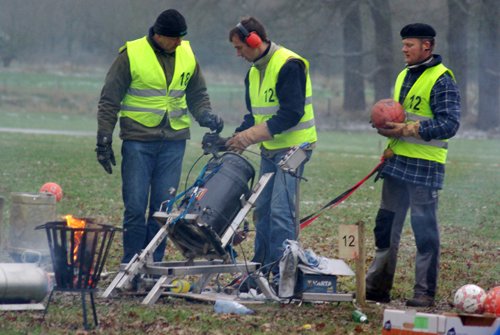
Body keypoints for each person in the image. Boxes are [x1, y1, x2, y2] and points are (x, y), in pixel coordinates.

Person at [96, 9, 223, 264]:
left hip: (173, 143)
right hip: (138, 141)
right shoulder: (131, 54)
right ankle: (131, 264)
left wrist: (205, 115)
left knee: (163, 210)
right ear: (159, 35)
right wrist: (104, 137)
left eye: (181, 38)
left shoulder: (186, 53)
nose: (179, 43)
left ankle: (154, 263)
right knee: (134, 207)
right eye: (175, 38)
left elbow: (197, 94)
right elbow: (110, 99)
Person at [365, 23, 460, 307]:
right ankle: (377, 288)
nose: (404, 49)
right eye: (403, 44)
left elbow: (450, 124)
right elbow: (398, 114)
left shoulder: (443, 79)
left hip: (425, 168)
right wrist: (383, 124)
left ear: (427, 46)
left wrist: (406, 129)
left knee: (424, 231)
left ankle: (424, 293)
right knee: (385, 227)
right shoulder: (403, 74)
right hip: (396, 163)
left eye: (410, 45)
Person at [226, 17, 317, 288]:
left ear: (255, 40)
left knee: (280, 210)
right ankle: (261, 270)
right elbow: (254, 116)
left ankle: (283, 275)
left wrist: (248, 137)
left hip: (297, 147)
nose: (238, 53)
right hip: (271, 148)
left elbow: (291, 113)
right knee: (262, 210)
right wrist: (230, 139)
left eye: (240, 47)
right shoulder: (253, 72)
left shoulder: (290, 64)